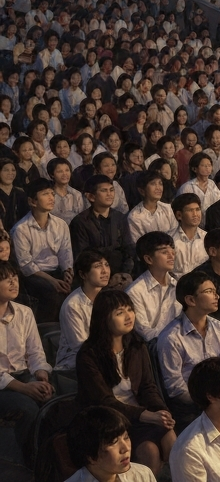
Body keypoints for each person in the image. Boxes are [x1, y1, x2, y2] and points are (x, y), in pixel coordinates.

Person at [74, 290, 175, 474]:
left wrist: (161, 411)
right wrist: (145, 415)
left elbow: (147, 386)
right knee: (150, 451)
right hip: (107, 421)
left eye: (130, 309)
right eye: (120, 313)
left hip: (138, 416)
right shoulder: (88, 355)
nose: (128, 316)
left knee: (170, 437)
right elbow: (103, 401)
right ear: (104, 318)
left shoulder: (136, 345)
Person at [157, 271, 220, 425]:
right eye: (209, 291)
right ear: (191, 300)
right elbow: (175, 387)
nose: (217, 296)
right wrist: (209, 402)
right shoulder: (171, 337)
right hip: (191, 407)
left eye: (215, 291)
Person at [0, 260, 53, 465]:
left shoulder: (24, 312)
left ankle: (54, 456)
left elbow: (35, 352)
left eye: (15, 278)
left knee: (52, 398)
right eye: (6, 279)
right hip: (5, 385)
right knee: (29, 407)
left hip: (24, 375)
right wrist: (24, 388)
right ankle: (33, 462)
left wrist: (41, 375)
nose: (14, 283)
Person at [12, 176, 73, 321]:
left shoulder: (60, 224)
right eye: (45, 194)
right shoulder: (21, 229)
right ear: (32, 201)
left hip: (57, 270)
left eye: (52, 193)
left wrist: (68, 272)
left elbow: (66, 252)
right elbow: (26, 265)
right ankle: (49, 333)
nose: (51, 197)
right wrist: (52, 281)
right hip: (36, 275)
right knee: (52, 292)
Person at [63, 405, 160, 482]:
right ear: (91, 457)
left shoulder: (142, 474)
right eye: (114, 442)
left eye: (126, 437)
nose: (126, 448)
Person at [57, 249, 112, 371]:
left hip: (105, 355)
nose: (105, 271)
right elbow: (81, 346)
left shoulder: (108, 298)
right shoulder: (73, 305)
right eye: (98, 266)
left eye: (106, 265)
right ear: (83, 275)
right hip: (74, 363)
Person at [128, 232, 182, 342]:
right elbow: (144, 332)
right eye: (164, 252)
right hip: (151, 349)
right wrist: (175, 337)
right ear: (149, 259)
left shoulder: (177, 285)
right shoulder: (134, 292)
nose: (171, 255)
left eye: (172, 250)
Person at [167, 193, 206, 276]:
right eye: (190, 210)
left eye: (197, 209)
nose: (195, 214)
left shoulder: (207, 238)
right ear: (179, 215)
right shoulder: (169, 239)